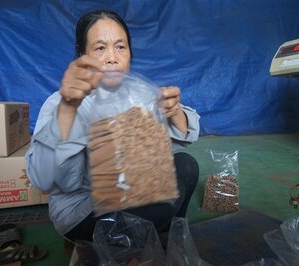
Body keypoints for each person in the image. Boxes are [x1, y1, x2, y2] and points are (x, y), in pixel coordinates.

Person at [26, 9, 200, 242]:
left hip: (129, 194)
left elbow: (185, 134)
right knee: (158, 196)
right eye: (100, 48)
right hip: (85, 211)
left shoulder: (138, 96)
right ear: (81, 56)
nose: (112, 57)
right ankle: (124, 246)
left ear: (130, 53)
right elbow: (45, 178)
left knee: (185, 166)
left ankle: (163, 239)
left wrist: (174, 112)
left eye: (120, 47)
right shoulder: (63, 102)